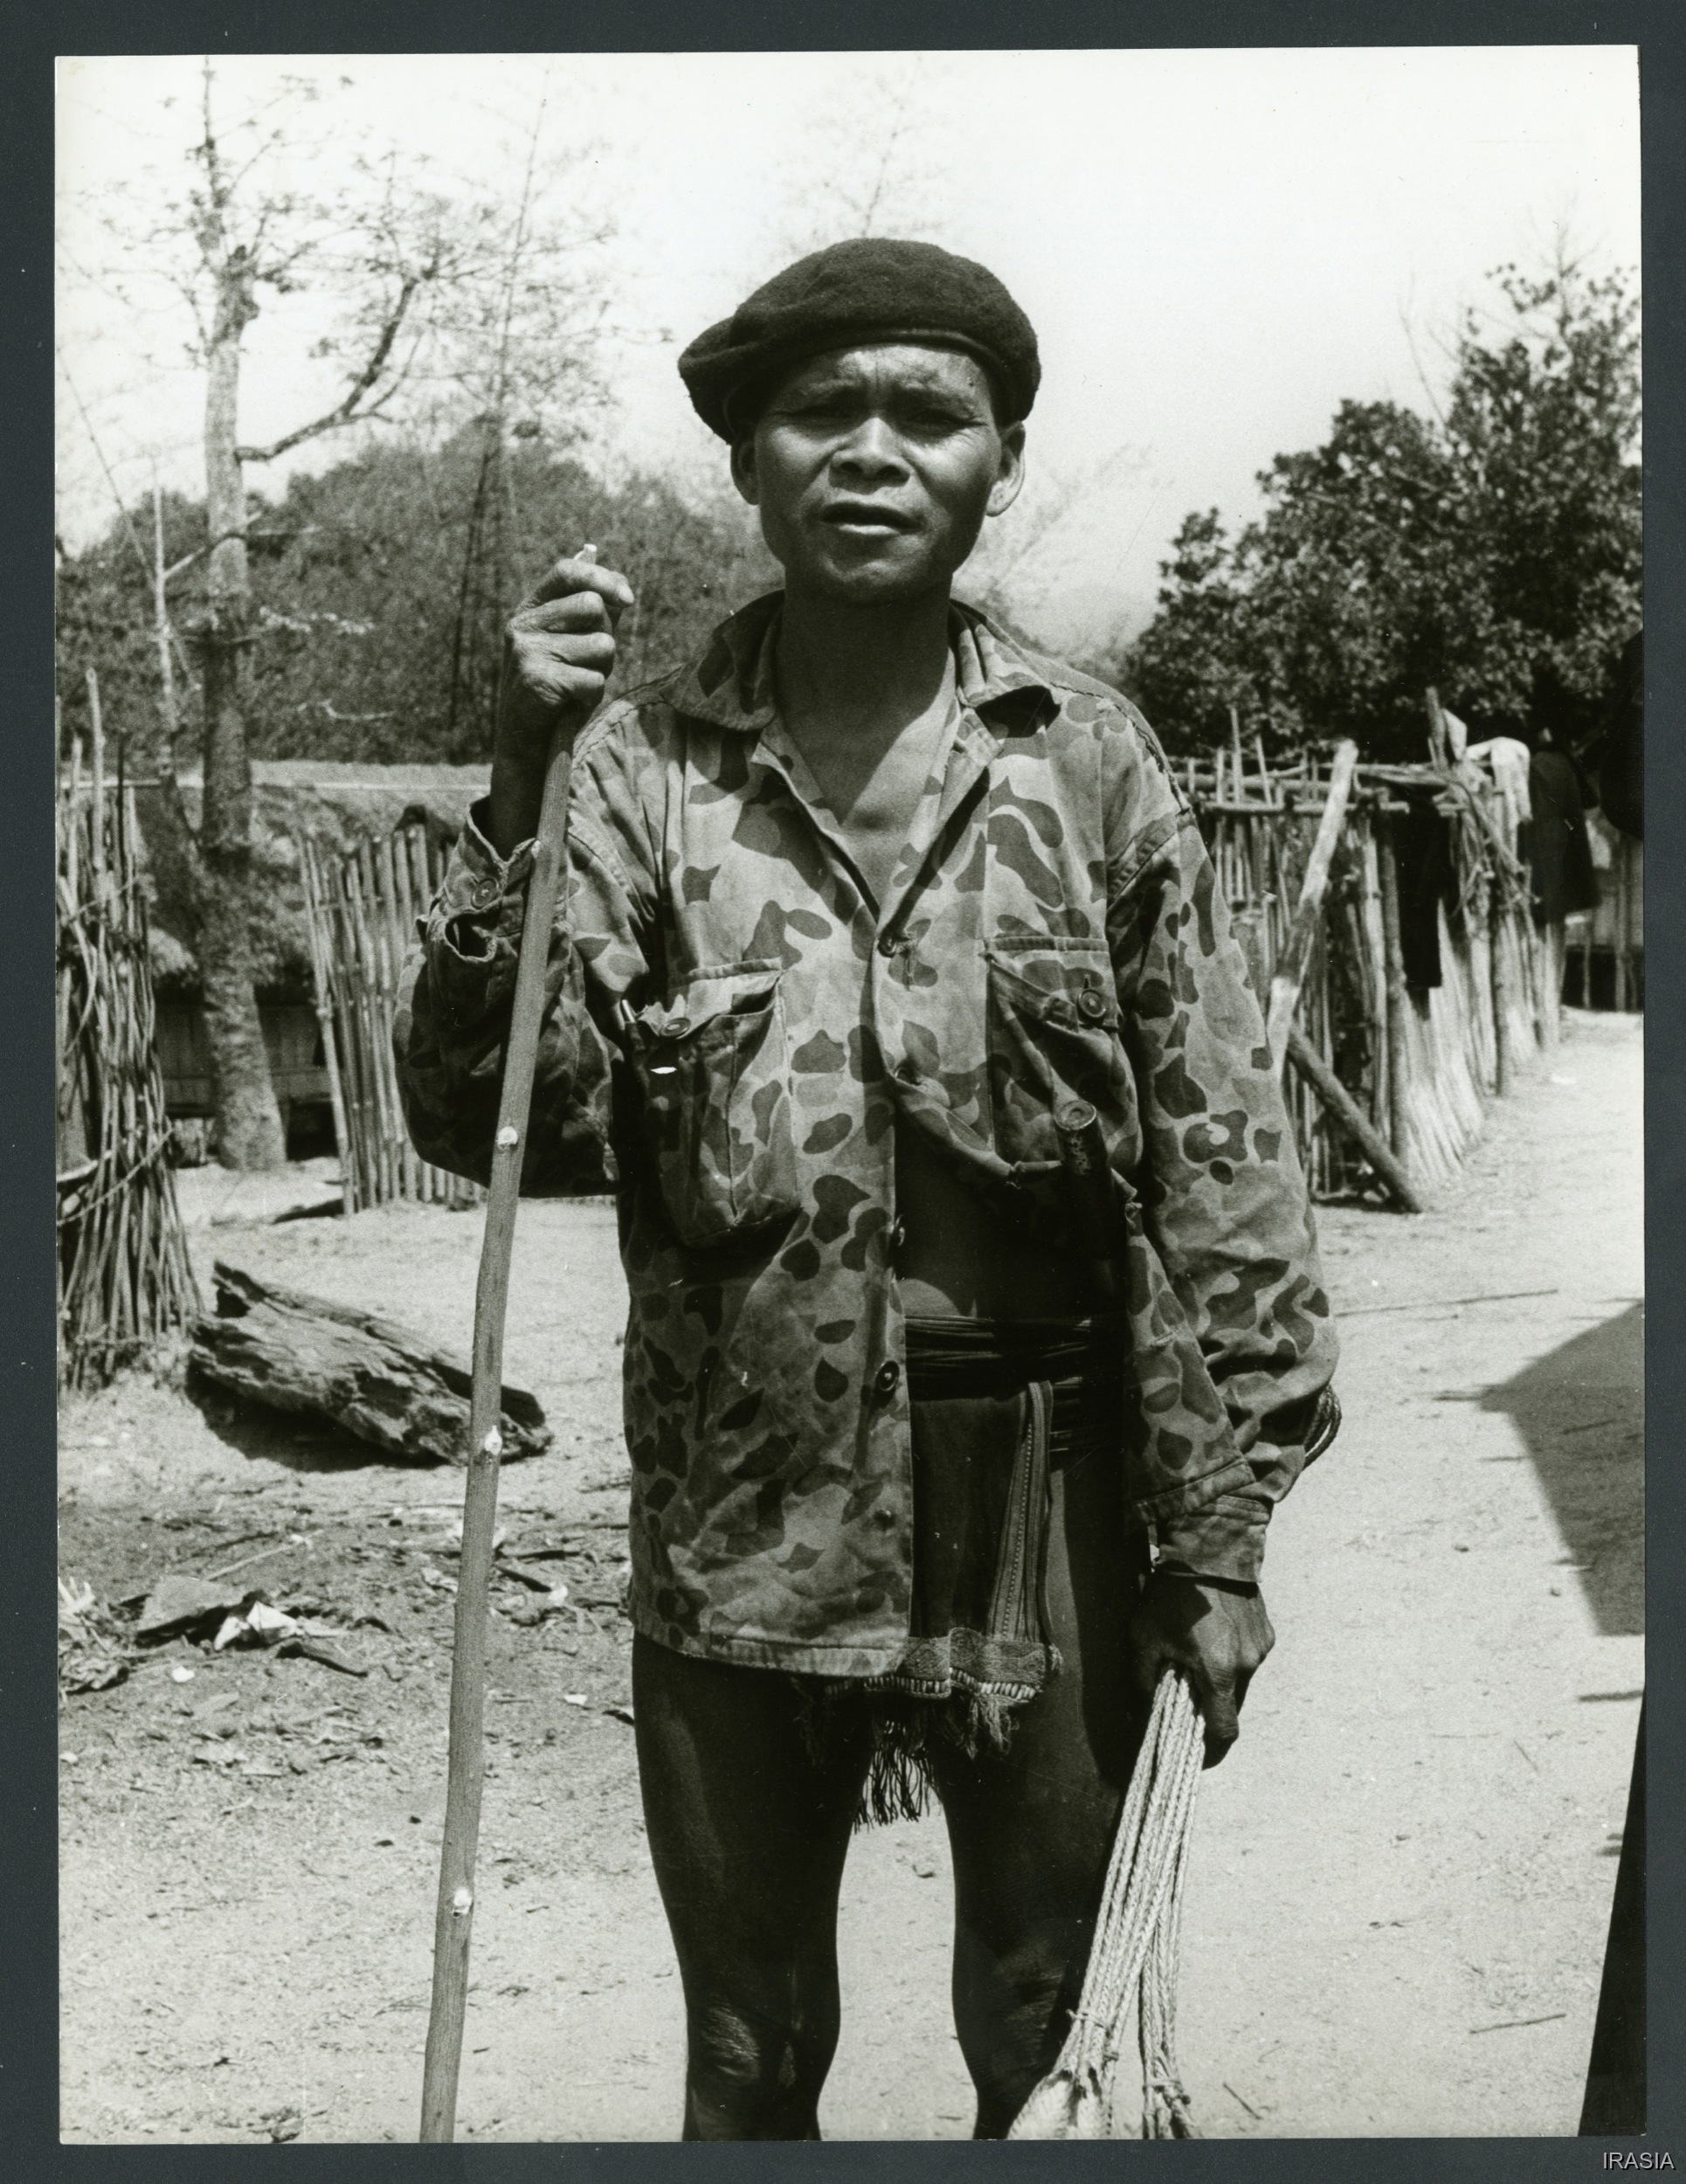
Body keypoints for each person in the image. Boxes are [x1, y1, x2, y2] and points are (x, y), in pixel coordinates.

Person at [396, 237, 1339, 2141]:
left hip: (1052, 1475)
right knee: (748, 2052)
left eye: (931, 413)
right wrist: (517, 774)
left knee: (1045, 2021)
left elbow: (1224, 1161)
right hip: (744, 1492)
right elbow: (484, 1112)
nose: (873, 450)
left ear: (1000, 459)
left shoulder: (1087, 760)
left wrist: (1222, 1537)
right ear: (744, 462)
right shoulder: (639, 772)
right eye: (821, 410)